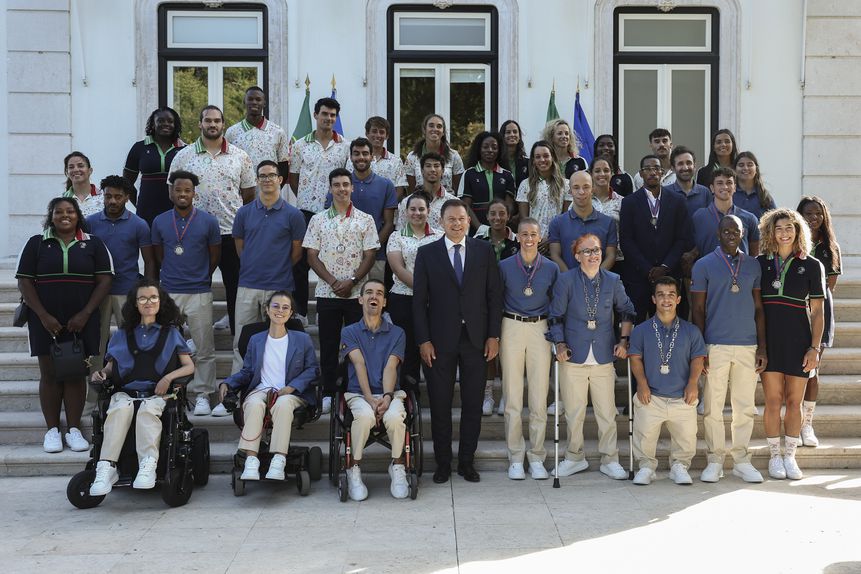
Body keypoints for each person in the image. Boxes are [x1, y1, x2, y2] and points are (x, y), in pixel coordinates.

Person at [413, 199, 503, 484]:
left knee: (473, 404)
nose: (456, 223)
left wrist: (493, 335)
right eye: (451, 219)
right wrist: (423, 340)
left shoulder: (483, 250)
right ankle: (443, 464)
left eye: (461, 218)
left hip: (476, 340)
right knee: (440, 404)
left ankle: (466, 462)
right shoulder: (427, 253)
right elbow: (419, 302)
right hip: (439, 341)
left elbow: (494, 296)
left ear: (468, 221)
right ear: (441, 222)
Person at [16, 197, 113, 453]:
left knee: (76, 374)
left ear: (78, 215)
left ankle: (73, 429)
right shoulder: (36, 243)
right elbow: (25, 282)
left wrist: (85, 313)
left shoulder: (93, 243)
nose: (64, 215)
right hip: (44, 320)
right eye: (58, 212)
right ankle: (52, 431)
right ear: (51, 216)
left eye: (70, 211)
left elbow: (105, 281)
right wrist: (43, 316)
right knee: (49, 374)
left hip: (82, 320)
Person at [87, 280, 195, 495]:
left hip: (158, 394)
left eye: (153, 297)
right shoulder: (121, 335)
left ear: (161, 302)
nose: (148, 302)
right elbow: (110, 367)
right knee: (118, 409)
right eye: (143, 298)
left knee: (147, 411)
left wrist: (168, 378)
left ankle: (148, 465)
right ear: (135, 303)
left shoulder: (171, 333)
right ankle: (107, 467)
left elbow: (189, 366)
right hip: (126, 393)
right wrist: (102, 373)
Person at [548, 233, 634, 479]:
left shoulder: (613, 280)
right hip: (573, 355)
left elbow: (627, 311)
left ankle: (610, 459)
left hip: (603, 356)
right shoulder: (565, 281)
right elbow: (555, 316)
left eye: (596, 250)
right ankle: (574, 457)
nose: (593, 255)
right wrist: (560, 344)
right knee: (574, 413)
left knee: (606, 413)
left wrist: (623, 340)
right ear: (577, 256)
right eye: (586, 251)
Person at [691, 215, 768, 484]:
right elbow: (697, 309)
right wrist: (700, 349)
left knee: (744, 407)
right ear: (718, 233)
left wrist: (762, 347)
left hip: (747, 344)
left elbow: (759, 308)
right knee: (712, 407)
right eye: (726, 231)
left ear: (743, 233)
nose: (731, 234)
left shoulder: (753, 265)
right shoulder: (703, 265)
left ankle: (742, 461)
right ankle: (715, 460)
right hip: (715, 345)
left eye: (736, 230)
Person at [168, 105, 256, 334]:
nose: (212, 124)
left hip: (231, 233)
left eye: (217, 120)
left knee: (235, 287)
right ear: (200, 123)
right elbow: (173, 192)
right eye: (208, 120)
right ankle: (192, 341)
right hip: (194, 233)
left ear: (223, 124)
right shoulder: (183, 155)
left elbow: (248, 194)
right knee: (195, 289)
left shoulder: (240, 156)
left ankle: (239, 340)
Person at [219, 291, 317, 482]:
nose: (280, 310)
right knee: (254, 404)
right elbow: (247, 371)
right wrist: (228, 382)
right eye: (276, 306)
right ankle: (251, 460)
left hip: (291, 393)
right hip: (261, 389)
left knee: (283, 404)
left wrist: (291, 387)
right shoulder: (256, 340)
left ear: (291, 313)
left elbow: (313, 369)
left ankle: (279, 459)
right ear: (267, 309)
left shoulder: (302, 339)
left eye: (285, 307)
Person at [304, 168, 379, 414]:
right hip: (328, 293)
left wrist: (353, 280)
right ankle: (328, 392)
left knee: (358, 345)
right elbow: (311, 255)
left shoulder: (365, 219)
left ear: (352, 187)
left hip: (357, 295)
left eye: (345, 184)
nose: (341, 189)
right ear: (330, 188)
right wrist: (334, 282)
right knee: (328, 344)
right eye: (336, 185)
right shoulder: (317, 220)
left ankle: (355, 389)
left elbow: (370, 254)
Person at [757, 208, 825, 480]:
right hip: (770, 342)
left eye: (789, 228)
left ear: (798, 231)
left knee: (794, 402)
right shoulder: (759, 263)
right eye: (779, 228)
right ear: (770, 232)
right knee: (773, 401)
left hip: (799, 341)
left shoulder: (812, 264)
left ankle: (790, 456)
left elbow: (818, 312)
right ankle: (775, 456)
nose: (784, 233)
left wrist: (814, 348)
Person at [151, 170, 222, 416]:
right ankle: (166, 391)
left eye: (187, 190)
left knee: (204, 347)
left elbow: (214, 256)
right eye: (178, 190)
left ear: (194, 193)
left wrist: (201, 275)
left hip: (199, 290)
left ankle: (202, 394)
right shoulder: (160, 221)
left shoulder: (209, 221)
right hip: (170, 291)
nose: (182, 194)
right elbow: (159, 256)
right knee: (164, 345)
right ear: (171, 192)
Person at [628, 277, 706, 485]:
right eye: (661, 295)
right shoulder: (641, 330)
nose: (666, 299)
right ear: (654, 299)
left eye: (671, 295)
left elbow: (698, 359)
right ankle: (646, 466)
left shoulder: (691, 331)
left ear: (678, 299)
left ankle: (679, 466)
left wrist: (693, 383)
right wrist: (642, 384)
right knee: (644, 435)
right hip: (651, 396)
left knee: (686, 438)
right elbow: (635, 358)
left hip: (682, 396)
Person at [231, 160, 306, 374]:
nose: (267, 180)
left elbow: (297, 253)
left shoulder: (294, 215)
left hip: (279, 286)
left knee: (276, 340)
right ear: (256, 180)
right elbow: (240, 249)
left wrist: (277, 267)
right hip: (248, 285)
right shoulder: (243, 213)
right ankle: (238, 385)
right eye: (262, 176)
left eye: (271, 175)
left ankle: (271, 382)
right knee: (241, 340)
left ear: (280, 179)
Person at [498, 217, 559, 479]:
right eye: (524, 234)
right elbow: (496, 299)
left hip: (540, 327)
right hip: (511, 324)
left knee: (538, 395)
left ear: (540, 236)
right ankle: (515, 456)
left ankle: (536, 456)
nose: (529, 239)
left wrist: (557, 335)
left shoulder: (551, 268)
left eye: (533, 234)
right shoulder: (504, 266)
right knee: (512, 396)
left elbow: (556, 304)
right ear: (517, 236)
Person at [339, 279, 410, 501]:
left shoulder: (397, 333)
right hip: (359, 393)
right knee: (364, 417)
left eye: (379, 293)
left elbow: (391, 366)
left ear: (384, 302)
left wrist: (387, 397)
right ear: (360, 299)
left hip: (390, 393)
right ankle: (354, 468)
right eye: (369, 292)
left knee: (395, 418)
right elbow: (359, 364)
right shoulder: (349, 331)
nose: (374, 296)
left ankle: (398, 465)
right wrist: (369, 398)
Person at [85, 175, 156, 381]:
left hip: (127, 291)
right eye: (108, 196)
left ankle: (131, 386)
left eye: (118, 197)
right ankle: (94, 392)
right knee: (96, 344)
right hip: (97, 293)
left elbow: (149, 261)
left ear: (127, 197)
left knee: (130, 342)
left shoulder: (139, 224)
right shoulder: (90, 223)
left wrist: (147, 292)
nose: (112, 201)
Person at [289, 97, 350, 320]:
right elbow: (293, 177)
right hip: (305, 212)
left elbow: (346, 179)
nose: (328, 118)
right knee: (300, 262)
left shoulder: (345, 146)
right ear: (316, 115)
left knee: (333, 259)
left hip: (333, 213)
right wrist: (306, 198)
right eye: (324, 114)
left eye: (333, 115)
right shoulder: (299, 145)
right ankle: (301, 311)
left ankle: (327, 307)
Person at [619, 155, 691, 322]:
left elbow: (682, 239)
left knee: (670, 324)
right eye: (647, 169)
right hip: (639, 277)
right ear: (641, 174)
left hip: (670, 275)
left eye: (656, 168)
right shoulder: (629, 202)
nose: (652, 172)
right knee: (638, 325)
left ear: (662, 172)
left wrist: (665, 267)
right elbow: (626, 240)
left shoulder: (677, 201)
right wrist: (648, 270)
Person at [798, 196, 842, 447]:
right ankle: (793, 421)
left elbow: (829, 287)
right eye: (808, 213)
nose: (814, 218)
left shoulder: (831, 247)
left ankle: (807, 424)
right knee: (794, 370)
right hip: (794, 312)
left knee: (812, 369)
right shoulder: (794, 242)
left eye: (818, 214)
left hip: (819, 313)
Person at [386, 192, 442, 388]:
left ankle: (436, 391)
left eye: (421, 209)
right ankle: (409, 394)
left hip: (434, 301)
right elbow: (398, 269)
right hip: (404, 299)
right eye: (413, 209)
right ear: (405, 212)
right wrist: (424, 289)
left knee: (433, 345)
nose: (417, 213)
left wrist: (431, 292)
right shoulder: (396, 236)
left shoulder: (440, 236)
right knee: (408, 348)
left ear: (429, 211)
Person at [326, 138, 397, 282]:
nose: (361, 157)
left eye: (365, 153)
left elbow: (389, 223)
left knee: (373, 293)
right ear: (351, 157)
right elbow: (330, 219)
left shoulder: (386, 185)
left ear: (372, 156)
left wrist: (371, 248)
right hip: (343, 254)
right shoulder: (341, 185)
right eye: (356, 153)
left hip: (376, 256)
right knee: (345, 292)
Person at [474, 198, 519, 415]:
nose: (497, 218)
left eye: (502, 214)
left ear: (508, 216)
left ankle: (507, 396)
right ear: (487, 216)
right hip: (484, 303)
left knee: (507, 352)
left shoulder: (518, 241)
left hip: (512, 302)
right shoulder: (478, 241)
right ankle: (488, 395)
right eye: (493, 214)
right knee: (489, 349)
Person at [225, 86, 294, 204]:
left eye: (258, 99)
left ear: (264, 103)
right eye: (250, 99)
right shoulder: (232, 132)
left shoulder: (277, 132)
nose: (254, 102)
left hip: (269, 197)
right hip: (241, 197)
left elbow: (283, 166)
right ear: (244, 102)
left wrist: (274, 189)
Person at [123, 106, 185, 225]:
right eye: (160, 121)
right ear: (153, 124)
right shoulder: (139, 148)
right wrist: (139, 204)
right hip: (146, 210)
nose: (166, 124)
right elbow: (126, 183)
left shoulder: (184, 150)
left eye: (170, 121)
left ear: (175, 125)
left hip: (177, 210)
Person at [548, 171, 617, 272]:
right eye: (576, 187)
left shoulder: (608, 222)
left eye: (586, 187)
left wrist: (594, 277)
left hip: (599, 280)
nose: (581, 192)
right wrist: (571, 278)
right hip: (567, 280)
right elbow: (555, 255)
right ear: (570, 191)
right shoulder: (557, 223)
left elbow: (611, 255)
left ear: (593, 189)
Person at [689, 168, 760, 259]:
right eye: (720, 183)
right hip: (708, 267)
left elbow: (754, 254)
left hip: (740, 267)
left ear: (735, 187)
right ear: (712, 188)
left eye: (729, 183)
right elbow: (693, 248)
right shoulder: (699, 217)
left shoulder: (749, 218)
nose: (725, 187)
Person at [459, 131, 516, 231]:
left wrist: (500, 224)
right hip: (476, 230)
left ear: (499, 150)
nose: (490, 150)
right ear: (479, 149)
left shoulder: (507, 175)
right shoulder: (469, 174)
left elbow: (509, 206)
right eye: (485, 147)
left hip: (501, 228)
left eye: (494, 147)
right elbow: (465, 205)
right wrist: (479, 227)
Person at [516, 141, 570, 245]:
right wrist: (535, 239)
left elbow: (566, 218)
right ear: (533, 161)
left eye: (546, 156)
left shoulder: (566, 185)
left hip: (557, 241)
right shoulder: (525, 184)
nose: (542, 160)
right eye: (538, 157)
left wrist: (551, 238)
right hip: (532, 242)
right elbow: (524, 219)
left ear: (552, 158)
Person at [395, 152, 458, 231]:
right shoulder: (407, 203)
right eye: (428, 166)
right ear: (422, 170)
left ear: (443, 170)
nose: (432, 169)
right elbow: (400, 232)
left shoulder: (454, 203)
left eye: (436, 166)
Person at [349, 116, 408, 199]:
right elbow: (347, 184)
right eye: (374, 131)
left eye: (381, 132)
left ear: (387, 136)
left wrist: (387, 205)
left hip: (387, 207)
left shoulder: (396, 161)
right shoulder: (354, 160)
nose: (378, 135)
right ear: (367, 133)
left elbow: (399, 191)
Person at [405, 113, 465, 192]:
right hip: (420, 199)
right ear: (424, 130)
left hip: (447, 199)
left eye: (439, 126)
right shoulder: (412, 157)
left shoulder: (454, 156)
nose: (435, 129)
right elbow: (410, 190)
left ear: (443, 132)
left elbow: (459, 188)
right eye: (431, 126)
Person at [589, 157, 624, 274]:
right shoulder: (582, 200)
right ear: (591, 174)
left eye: (606, 170)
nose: (602, 174)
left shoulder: (621, 201)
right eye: (597, 171)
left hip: (617, 261)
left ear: (612, 173)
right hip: (588, 259)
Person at [664, 146, 711, 218]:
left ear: (694, 166)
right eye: (680, 164)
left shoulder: (705, 193)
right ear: (673, 168)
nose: (685, 168)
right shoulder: (665, 193)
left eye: (689, 163)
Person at [734, 151, 776, 220]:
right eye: (741, 165)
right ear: (735, 169)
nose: (746, 168)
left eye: (750, 165)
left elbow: (774, 220)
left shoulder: (765, 196)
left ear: (756, 169)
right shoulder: (729, 194)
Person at [62, 151, 104, 218]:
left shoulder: (104, 198)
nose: (76, 169)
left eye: (80, 166)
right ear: (67, 172)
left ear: (90, 171)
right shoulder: (61, 200)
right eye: (71, 167)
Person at [499, 119, 529, 187]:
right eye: (508, 132)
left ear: (519, 136)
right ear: (502, 136)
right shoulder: (497, 162)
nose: (512, 134)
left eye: (515, 132)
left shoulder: (527, 162)